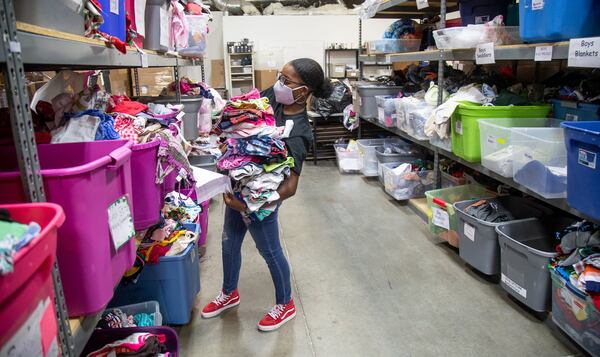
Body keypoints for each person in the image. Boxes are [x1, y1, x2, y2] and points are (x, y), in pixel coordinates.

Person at [200, 58, 333, 331]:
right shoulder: (272, 96)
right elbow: (242, 111)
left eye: (286, 80)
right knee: (229, 243)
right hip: (237, 184)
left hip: (262, 199)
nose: (278, 84)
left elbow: (290, 187)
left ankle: (286, 305)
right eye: (279, 76)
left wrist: (247, 205)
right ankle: (229, 293)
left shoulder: (300, 132)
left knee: (270, 251)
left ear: (303, 91)